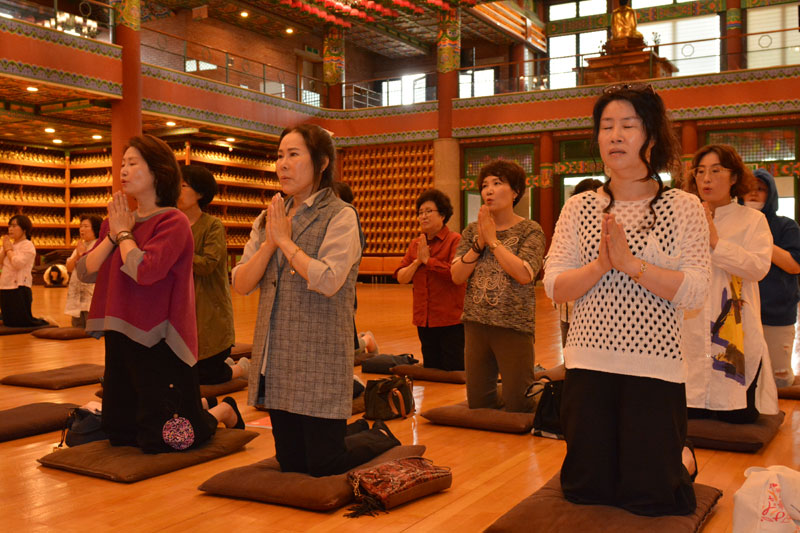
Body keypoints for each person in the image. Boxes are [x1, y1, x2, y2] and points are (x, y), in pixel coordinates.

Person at [544, 83, 710, 516]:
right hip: (589, 362)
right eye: (606, 126)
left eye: (628, 126)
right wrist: (602, 265)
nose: (615, 135)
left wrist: (632, 265)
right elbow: (554, 285)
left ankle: (683, 457)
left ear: (651, 137)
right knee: (585, 490)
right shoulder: (580, 207)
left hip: (654, 365)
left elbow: (696, 289)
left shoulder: (683, 206)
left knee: (651, 497)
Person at [231, 124, 399, 477]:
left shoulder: (341, 215)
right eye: (280, 156)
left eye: (294, 155)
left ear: (322, 163)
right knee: (292, 463)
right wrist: (270, 243)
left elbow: (329, 280)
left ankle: (378, 435)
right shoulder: (269, 218)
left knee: (325, 464)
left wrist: (286, 242)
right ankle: (350, 432)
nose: (283, 164)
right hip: (277, 355)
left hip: (319, 354)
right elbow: (241, 283)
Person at [77, 134, 243, 454]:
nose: (123, 170)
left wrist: (123, 233)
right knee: (120, 433)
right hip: (119, 333)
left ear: (157, 172)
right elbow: (85, 271)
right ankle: (199, 406)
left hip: (159, 339)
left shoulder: (172, 221)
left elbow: (144, 271)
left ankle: (222, 411)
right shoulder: (117, 222)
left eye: (133, 163)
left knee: (169, 438)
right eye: (122, 164)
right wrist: (113, 234)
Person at [683, 145, 779, 424]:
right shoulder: (685, 218)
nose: (706, 179)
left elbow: (758, 268)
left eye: (716, 171)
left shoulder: (753, 220)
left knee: (739, 415)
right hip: (692, 320)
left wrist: (715, 242)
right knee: (692, 411)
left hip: (735, 323)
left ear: (734, 177)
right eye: (700, 172)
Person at [451, 159, 545, 412]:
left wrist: (493, 241)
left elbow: (524, 275)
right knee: (479, 404)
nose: (489, 190)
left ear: (515, 192)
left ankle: (545, 390)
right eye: (484, 185)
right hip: (475, 323)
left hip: (513, 324)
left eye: (497, 183)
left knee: (520, 405)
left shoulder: (530, 230)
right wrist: (479, 243)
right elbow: (457, 275)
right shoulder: (472, 231)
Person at [177, 165, 246, 385]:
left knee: (202, 376)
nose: (177, 190)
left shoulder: (212, 226)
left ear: (200, 193)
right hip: (179, 312)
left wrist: (176, 251)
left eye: (183, 185)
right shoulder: (172, 224)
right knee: (174, 373)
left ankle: (241, 369)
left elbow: (207, 265)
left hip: (209, 313)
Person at [395, 189, 466, 371]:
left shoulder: (455, 240)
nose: (423, 216)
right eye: (420, 212)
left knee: (454, 371)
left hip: (450, 320)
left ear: (442, 215)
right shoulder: (416, 244)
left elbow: (456, 274)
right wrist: (418, 261)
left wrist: (429, 261)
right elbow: (401, 277)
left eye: (428, 211)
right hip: (424, 319)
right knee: (431, 371)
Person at [745, 168, 800, 388]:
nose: (753, 193)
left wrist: (762, 238)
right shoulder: (734, 224)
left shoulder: (786, 226)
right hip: (740, 315)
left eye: (760, 189)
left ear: (771, 194)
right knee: (744, 378)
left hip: (777, 315)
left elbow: (794, 265)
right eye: (749, 188)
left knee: (780, 379)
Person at [557, 178, 604, 346]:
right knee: (570, 356)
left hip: (600, 313)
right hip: (568, 312)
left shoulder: (607, 230)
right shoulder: (567, 230)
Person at [0, 214, 49, 327]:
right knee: (8, 322)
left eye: (14, 226)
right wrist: (4, 248)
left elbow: (18, 264)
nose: (10, 229)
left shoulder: (28, 245)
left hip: (20, 287)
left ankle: (45, 322)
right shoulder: (9, 245)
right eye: (9, 226)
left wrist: (8, 250)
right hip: (5, 285)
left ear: (24, 229)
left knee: (21, 322)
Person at [65, 215, 102, 328]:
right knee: (76, 328)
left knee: (91, 328)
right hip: (77, 293)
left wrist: (82, 255)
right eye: (81, 226)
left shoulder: (100, 245)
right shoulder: (81, 245)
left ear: (95, 228)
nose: (82, 229)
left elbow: (92, 267)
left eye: (86, 226)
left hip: (91, 294)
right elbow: (69, 268)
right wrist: (78, 255)